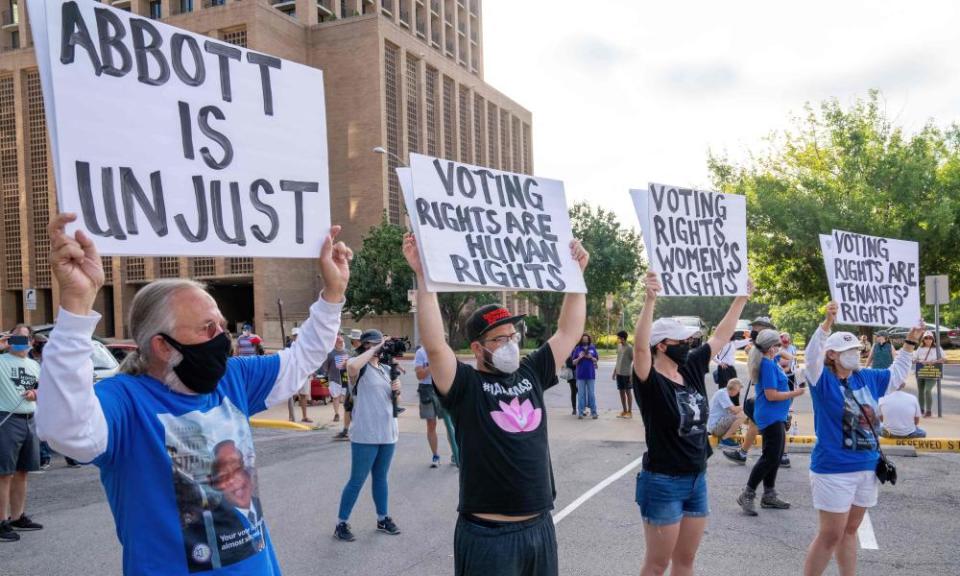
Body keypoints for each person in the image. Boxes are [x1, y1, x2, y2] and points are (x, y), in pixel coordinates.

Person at [37, 212, 352, 575]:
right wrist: (76, 307)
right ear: (163, 346)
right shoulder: (125, 401)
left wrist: (333, 294)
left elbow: (303, 357)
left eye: (221, 324)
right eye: (207, 328)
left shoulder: (231, 380)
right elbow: (65, 430)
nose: (222, 337)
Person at [404, 232, 589, 576]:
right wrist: (423, 277)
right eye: (499, 339)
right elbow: (435, 346)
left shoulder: (531, 371)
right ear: (477, 347)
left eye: (512, 336)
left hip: (539, 527)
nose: (510, 344)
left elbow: (569, 332)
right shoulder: (466, 385)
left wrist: (576, 276)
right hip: (488, 537)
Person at [632, 271, 751, 576]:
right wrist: (650, 300)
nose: (688, 344)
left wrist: (741, 299)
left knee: (685, 561)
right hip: (663, 481)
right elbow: (640, 349)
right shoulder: (650, 379)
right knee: (657, 564)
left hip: (697, 477)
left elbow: (720, 337)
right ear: (662, 345)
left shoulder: (691, 367)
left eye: (689, 340)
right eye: (681, 341)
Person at [801, 301, 920, 576]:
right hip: (833, 469)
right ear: (832, 355)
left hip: (868, 466)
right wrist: (826, 324)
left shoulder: (865, 377)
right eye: (848, 351)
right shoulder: (822, 381)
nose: (855, 354)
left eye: (856, 349)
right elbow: (811, 358)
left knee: (850, 531)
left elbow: (897, 374)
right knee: (830, 535)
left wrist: (911, 342)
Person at [334, 329, 402, 541]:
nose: (379, 348)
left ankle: (383, 518)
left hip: (387, 432)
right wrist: (376, 346)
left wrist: (397, 390)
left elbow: (394, 403)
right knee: (357, 480)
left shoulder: (385, 368)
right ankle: (341, 523)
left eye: (380, 345)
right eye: (372, 344)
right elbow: (352, 366)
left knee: (381, 478)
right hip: (365, 433)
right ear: (364, 345)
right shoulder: (358, 367)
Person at [737, 329, 805, 515]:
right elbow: (771, 395)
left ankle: (769, 494)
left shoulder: (770, 360)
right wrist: (795, 393)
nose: (780, 348)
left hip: (777, 416)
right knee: (769, 457)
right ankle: (748, 494)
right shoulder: (766, 365)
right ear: (770, 347)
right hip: (770, 416)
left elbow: (785, 356)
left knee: (774, 457)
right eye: (777, 345)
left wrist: (781, 350)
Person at [0, 325, 44, 542]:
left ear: (31, 342)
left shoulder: (34, 365)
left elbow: (45, 388)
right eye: (16, 337)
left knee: (22, 471)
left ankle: (17, 516)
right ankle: (1, 522)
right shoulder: (1, 362)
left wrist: (36, 392)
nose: (21, 341)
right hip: (6, 418)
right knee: (3, 473)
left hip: (29, 420)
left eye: (25, 338)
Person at [415, 344, 460, 468]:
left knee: (450, 424)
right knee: (431, 424)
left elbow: (454, 370)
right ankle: (435, 455)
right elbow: (419, 375)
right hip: (427, 389)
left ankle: (456, 455)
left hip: (443, 387)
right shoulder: (421, 352)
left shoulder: (445, 349)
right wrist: (432, 364)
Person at [335, 329, 364, 440]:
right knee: (349, 406)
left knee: (352, 407)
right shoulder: (357, 351)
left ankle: (350, 431)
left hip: (356, 384)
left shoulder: (358, 352)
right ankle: (346, 430)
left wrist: (345, 363)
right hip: (352, 383)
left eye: (352, 339)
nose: (351, 340)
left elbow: (350, 365)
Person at [707, 378, 746, 448]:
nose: (738, 392)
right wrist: (745, 405)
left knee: (741, 414)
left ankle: (726, 437)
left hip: (716, 425)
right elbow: (734, 410)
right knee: (742, 415)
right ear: (734, 389)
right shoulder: (722, 393)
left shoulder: (723, 393)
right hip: (714, 428)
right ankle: (725, 439)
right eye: (738, 390)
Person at [712, 330, 749, 404]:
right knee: (724, 388)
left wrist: (754, 337)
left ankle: (735, 406)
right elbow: (713, 354)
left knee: (735, 387)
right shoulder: (721, 344)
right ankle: (724, 406)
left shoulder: (733, 343)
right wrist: (720, 363)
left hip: (731, 368)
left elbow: (745, 342)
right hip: (723, 368)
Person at [913, 331, 945, 418]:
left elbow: (943, 359)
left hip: (932, 372)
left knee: (927, 390)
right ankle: (921, 409)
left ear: (933, 339)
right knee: (920, 391)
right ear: (923, 339)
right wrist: (921, 361)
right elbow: (914, 359)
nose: (928, 340)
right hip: (921, 371)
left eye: (930, 338)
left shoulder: (937, 348)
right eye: (926, 338)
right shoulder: (920, 348)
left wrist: (934, 361)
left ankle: (929, 411)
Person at [320, 333, 350, 424]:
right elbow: (325, 367)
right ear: (335, 343)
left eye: (342, 341)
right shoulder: (330, 354)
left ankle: (346, 413)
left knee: (345, 397)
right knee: (335, 397)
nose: (340, 343)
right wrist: (325, 381)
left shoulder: (347, 352)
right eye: (339, 341)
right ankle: (336, 414)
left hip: (344, 377)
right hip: (334, 378)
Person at [287, 328, 313, 424]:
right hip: (295, 373)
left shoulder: (305, 346)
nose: (296, 337)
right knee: (291, 394)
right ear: (293, 337)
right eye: (295, 335)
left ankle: (304, 416)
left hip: (304, 373)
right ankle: (291, 416)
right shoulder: (291, 347)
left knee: (303, 395)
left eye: (297, 335)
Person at [571, 334, 599, 419]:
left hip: (591, 375)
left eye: (586, 339)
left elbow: (596, 359)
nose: (585, 341)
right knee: (581, 395)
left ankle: (594, 412)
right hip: (580, 375)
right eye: (583, 339)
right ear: (581, 340)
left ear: (589, 340)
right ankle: (581, 412)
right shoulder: (577, 348)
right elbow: (573, 362)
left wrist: (591, 357)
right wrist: (580, 357)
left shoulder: (592, 348)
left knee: (591, 394)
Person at [613, 330, 634, 418]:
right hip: (619, 374)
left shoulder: (629, 348)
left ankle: (629, 411)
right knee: (621, 392)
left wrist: (632, 375)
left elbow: (634, 361)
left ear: (622, 338)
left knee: (628, 392)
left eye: (618, 338)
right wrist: (614, 372)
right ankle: (624, 411)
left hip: (627, 374)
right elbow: (618, 360)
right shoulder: (619, 346)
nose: (617, 339)